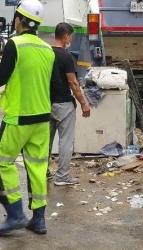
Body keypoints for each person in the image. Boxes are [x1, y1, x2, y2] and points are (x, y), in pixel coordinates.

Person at [0, 0, 63, 237]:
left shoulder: (14, 44)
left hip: (19, 118)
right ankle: (39, 220)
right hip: (42, 119)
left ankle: (15, 214)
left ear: (18, 20)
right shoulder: (47, 49)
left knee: (1, 160)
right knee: (37, 167)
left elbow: (0, 79)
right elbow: (53, 85)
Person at [49, 22, 91, 186]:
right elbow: (73, 83)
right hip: (64, 104)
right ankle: (62, 176)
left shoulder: (46, 53)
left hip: (47, 103)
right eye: (71, 36)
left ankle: (43, 172)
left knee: (46, 140)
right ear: (66, 36)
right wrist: (83, 104)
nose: (71, 39)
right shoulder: (66, 56)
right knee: (65, 141)